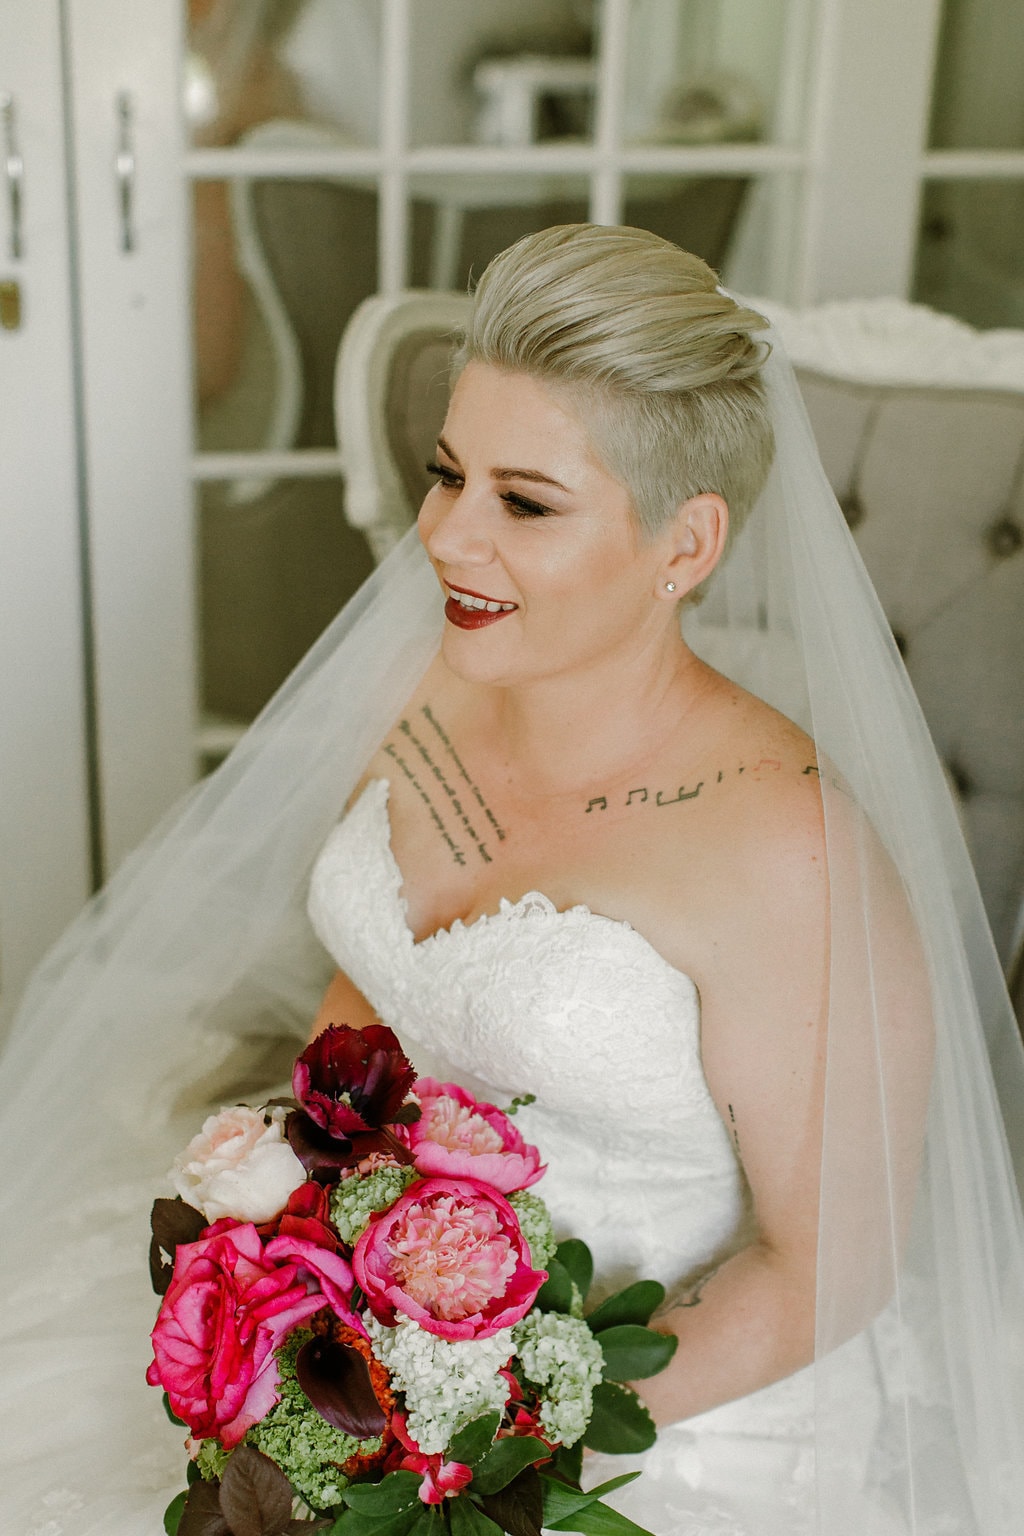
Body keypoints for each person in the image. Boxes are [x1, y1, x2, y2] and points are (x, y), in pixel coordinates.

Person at [0, 225, 1022, 1536]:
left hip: (666, 1434)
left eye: (523, 502)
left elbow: (833, 1269)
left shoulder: (788, 852)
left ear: (686, 544)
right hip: (366, 1355)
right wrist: (291, 1281)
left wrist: (488, 1440)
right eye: (445, 475)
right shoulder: (427, 688)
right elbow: (363, 1013)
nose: (446, 536)